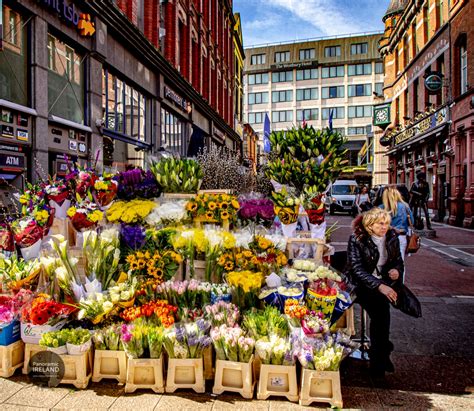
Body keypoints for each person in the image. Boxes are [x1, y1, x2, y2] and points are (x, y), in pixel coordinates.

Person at [344, 208, 404, 377]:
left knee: (386, 312)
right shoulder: (357, 239)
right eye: (380, 223)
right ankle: (379, 357)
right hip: (360, 285)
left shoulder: (392, 238)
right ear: (370, 225)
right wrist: (379, 285)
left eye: (386, 223)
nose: (384, 227)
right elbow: (357, 269)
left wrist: (396, 271)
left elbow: (398, 261)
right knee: (379, 310)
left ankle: (381, 354)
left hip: (383, 284)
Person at [380, 186, 414, 261]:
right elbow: (412, 221)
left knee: (384, 260)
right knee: (400, 262)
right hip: (401, 236)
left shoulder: (381, 208)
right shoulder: (404, 206)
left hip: (385, 236)